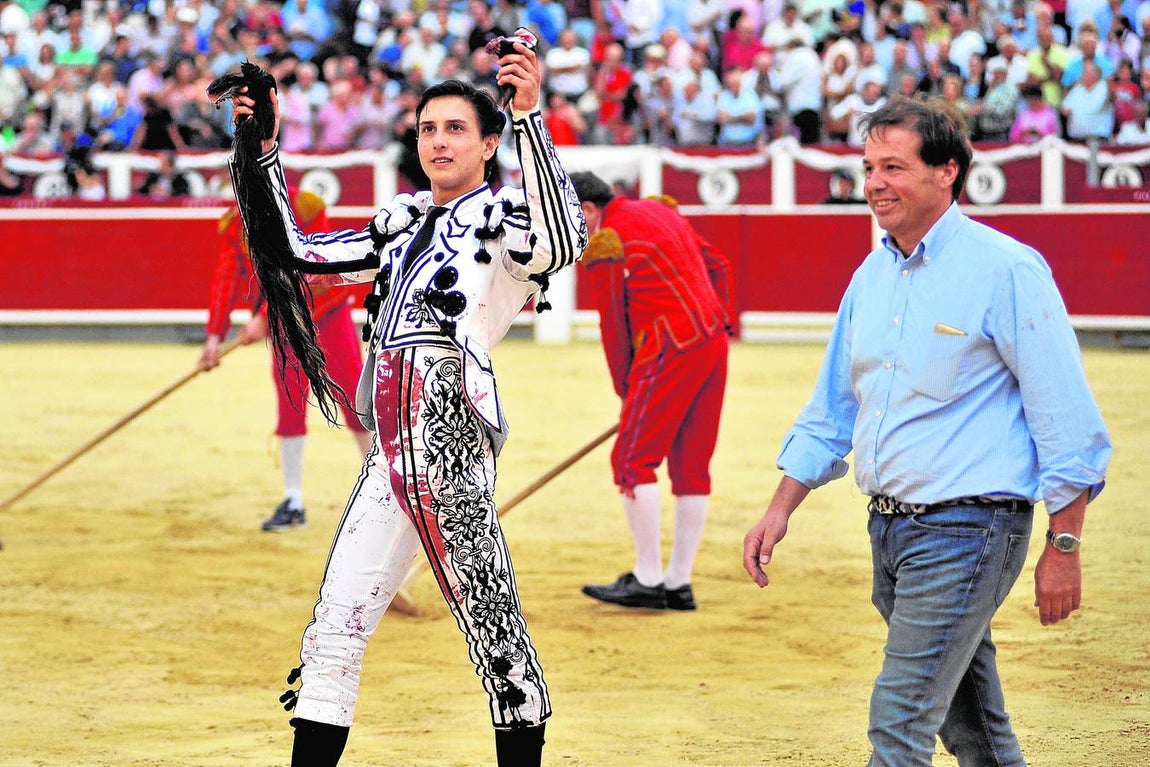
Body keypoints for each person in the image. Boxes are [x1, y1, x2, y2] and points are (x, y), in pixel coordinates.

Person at [223, 32, 585, 766]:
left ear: (489, 144)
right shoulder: (401, 224)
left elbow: (562, 240)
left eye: (456, 129)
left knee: (495, 637)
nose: (438, 141)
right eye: (427, 129)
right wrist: (263, 151)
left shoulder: (505, 225)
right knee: (333, 630)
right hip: (390, 459)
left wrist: (530, 118)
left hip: (451, 453)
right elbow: (298, 252)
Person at [742, 96, 1111, 766]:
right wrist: (779, 507)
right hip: (890, 532)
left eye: (893, 167)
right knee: (974, 730)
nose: (874, 184)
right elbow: (833, 408)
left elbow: (1064, 417)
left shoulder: (1006, 268)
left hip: (971, 530)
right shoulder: (871, 276)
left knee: (899, 721)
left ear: (947, 172)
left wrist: (1065, 543)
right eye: (867, 168)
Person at [571, 171, 734, 612]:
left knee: (631, 459)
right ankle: (678, 582)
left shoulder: (606, 241)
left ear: (588, 210)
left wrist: (628, 392)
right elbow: (719, 266)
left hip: (667, 346)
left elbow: (613, 327)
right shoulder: (659, 210)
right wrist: (718, 323)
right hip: (712, 339)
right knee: (691, 465)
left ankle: (647, 578)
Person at [198, 188, 373, 531]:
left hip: (326, 311)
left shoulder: (304, 207)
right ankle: (293, 500)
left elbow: (312, 269)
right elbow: (227, 277)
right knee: (290, 401)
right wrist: (214, 336)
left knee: (354, 398)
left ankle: (385, 492)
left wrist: (264, 316)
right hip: (284, 324)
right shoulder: (236, 221)